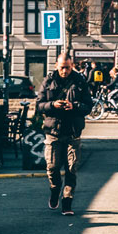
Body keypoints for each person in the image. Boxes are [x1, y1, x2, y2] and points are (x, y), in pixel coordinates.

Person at [36, 52, 92, 216]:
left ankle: (67, 202)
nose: (65, 71)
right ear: (56, 65)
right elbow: (39, 105)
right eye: (62, 68)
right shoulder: (49, 80)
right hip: (53, 131)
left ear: (72, 65)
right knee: (52, 167)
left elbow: (88, 105)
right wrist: (53, 104)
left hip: (73, 131)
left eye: (68, 67)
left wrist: (74, 106)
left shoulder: (80, 81)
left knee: (71, 168)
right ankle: (55, 190)